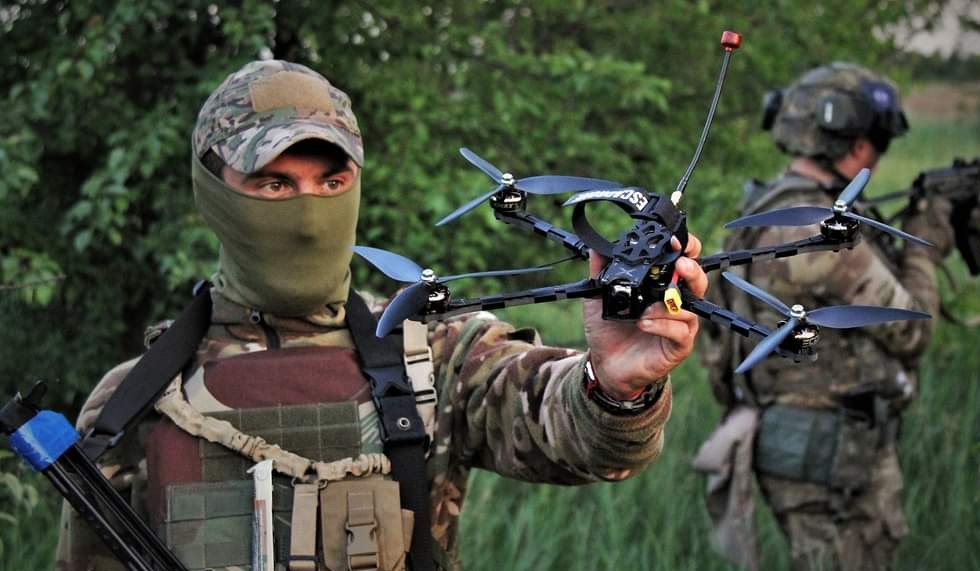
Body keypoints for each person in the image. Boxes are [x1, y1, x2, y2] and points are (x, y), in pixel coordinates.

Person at [55, 59, 708, 571]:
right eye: (275, 184)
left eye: (331, 182)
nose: (308, 212)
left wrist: (614, 384)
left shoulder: (432, 357)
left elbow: (574, 435)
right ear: (213, 193)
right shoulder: (133, 405)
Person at [695, 62, 955, 571]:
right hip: (831, 458)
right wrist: (925, 246)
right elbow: (911, 329)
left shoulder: (769, 206)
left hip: (799, 443)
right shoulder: (816, 230)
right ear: (857, 146)